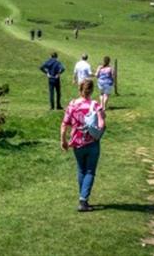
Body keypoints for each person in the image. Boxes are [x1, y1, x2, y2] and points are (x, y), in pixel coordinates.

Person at [61, 79, 105, 212]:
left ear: (80, 89)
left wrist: (63, 140)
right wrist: (99, 130)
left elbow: (64, 124)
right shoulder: (95, 105)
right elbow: (102, 123)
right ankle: (83, 200)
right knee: (90, 171)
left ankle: (83, 197)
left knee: (81, 170)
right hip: (92, 142)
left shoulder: (72, 104)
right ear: (91, 90)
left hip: (76, 142)